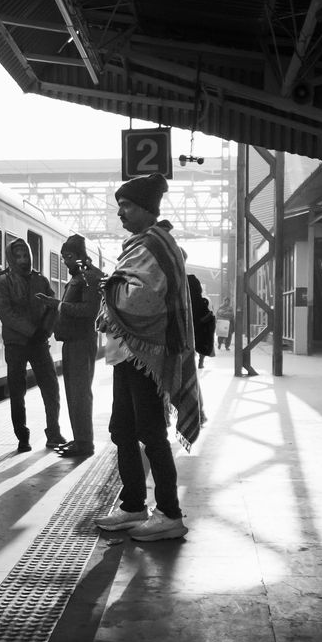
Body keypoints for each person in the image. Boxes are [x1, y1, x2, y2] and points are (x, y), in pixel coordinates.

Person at [94, 172, 200, 542]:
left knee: (152, 433)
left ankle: (169, 513)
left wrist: (110, 287)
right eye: (120, 206)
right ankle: (133, 505)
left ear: (144, 209)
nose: (121, 213)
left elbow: (147, 299)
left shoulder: (155, 245)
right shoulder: (142, 244)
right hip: (129, 353)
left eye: (126, 206)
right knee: (122, 430)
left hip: (149, 354)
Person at [0, 237, 66, 453]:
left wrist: (46, 330)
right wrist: (33, 331)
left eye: (26, 255)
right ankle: (22, 436)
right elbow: (6, 314)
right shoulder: (2, 282)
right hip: (16, 344)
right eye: (19, 256)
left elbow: (53, 305)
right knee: (17, 391)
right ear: (11, 258)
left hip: (40, 342)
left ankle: (53, 432)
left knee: (51, 387)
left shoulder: (40, 280)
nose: (24, 260)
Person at [36, 234, 103, 458]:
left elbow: (88, 311)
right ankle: (79, 439)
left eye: (67, 257)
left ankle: (85, 443)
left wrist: (58, 305)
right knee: (73, 393)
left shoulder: (89, 278)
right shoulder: (79, 277)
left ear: (77, 256)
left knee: (80, 393)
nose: (64, 261)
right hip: (72, 342)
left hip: (81, 342)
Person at [188, 275, 216, 368]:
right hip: (199, 332)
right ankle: (201, 361)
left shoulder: (181, 301)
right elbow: (208, 317)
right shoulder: (202, 301)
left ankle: (196, 362)